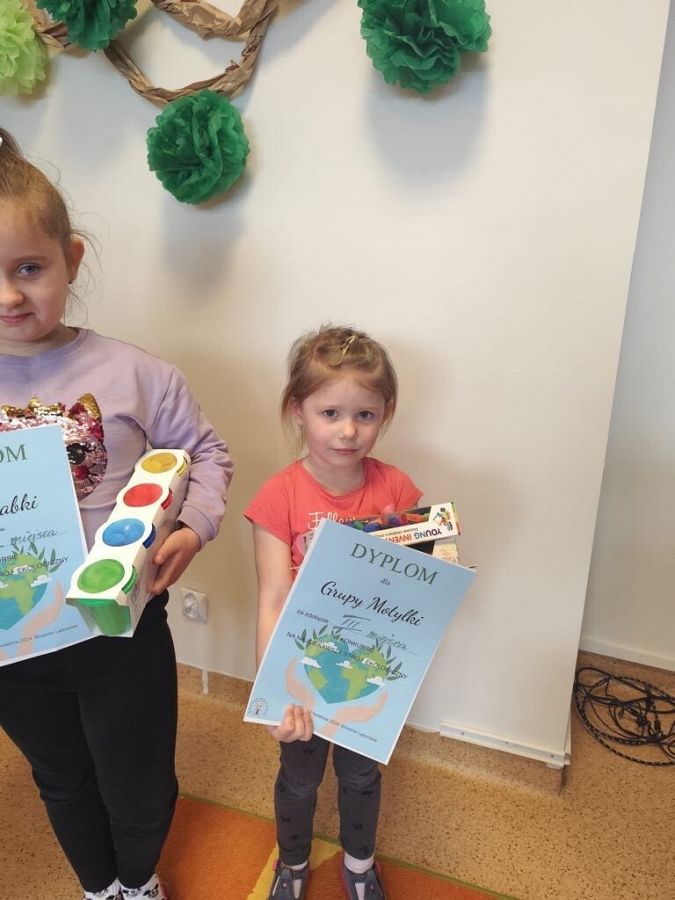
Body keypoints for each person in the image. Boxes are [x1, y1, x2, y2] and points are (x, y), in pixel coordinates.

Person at [0, 129, 234, 900]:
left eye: (28, 268)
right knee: (61, 778)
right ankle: (101, 888)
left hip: (121, 630)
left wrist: (193, 526)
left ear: (71, 258)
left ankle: (137, 880)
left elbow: (206, 454)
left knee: (140, 785)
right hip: (14, 644)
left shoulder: (138, 375)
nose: (9, 296)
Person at [245, 325, 422, 900]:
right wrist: (274, 695)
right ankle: (293, 863)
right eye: (330, 413)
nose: (348, 431)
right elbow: (272, 599)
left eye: (365, 415)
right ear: (298, 410)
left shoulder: (397, 490)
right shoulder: (279, 496)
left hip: (368, 669)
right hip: (303, 673)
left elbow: (413, 594)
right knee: (299, 779)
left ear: (385, 413)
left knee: (361, 774)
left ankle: (360, 863)